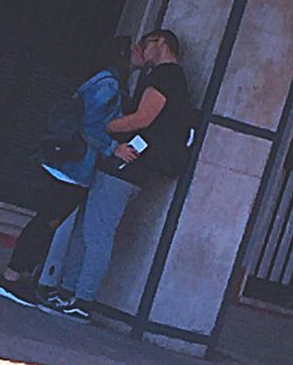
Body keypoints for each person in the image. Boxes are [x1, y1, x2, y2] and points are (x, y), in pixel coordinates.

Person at [42, 28, 192, 322]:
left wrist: (105, 127)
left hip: (127, 166)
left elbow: (143, 118)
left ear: (160, 42)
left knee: (96, 233)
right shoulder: (171, 79)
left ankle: (81, 298)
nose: (142, 53)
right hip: (128, 167)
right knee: (89, 230)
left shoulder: (165, 77)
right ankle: (69, 291)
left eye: (146, 44)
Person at [0, 35, 134, 308]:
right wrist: (112, 147)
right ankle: (10, 278)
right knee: (46, 221)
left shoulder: (106, 80)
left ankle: (19, 276)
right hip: (74, 167)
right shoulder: (109, 84)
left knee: (48, 221)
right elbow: (92, 124)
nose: (140, 51)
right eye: (136, 47)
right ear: (124, 54)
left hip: (71, 165)